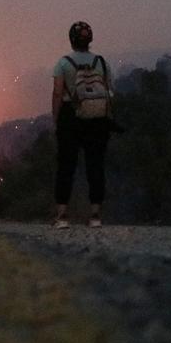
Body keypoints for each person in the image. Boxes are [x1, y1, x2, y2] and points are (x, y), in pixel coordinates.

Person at [51, 21, 111, 228]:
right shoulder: (101, 62)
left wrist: (56, 119)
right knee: (95, 165)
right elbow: (108, 91)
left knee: (66, 166)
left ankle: (62, 216)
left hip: (70, 115)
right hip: (97, 117)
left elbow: (58, 93)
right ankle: (95, 215)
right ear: (90, 40)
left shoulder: (63, 63)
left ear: (71, 40)